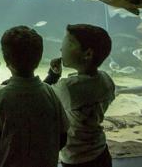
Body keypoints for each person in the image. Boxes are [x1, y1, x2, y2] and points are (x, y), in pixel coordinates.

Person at [0, 26, 69, 167]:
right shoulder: (50, 92)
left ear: (6, 60)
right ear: (39, 59)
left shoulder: (1, 97)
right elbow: (63, 136)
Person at [43, 24, 115, 167]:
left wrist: (53, 75)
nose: (61, 48)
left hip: (76, 158)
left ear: (87, 54)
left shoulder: (68, 88)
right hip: (101, 151)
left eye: (68, 44)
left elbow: (42, 94)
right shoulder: (106, 79)